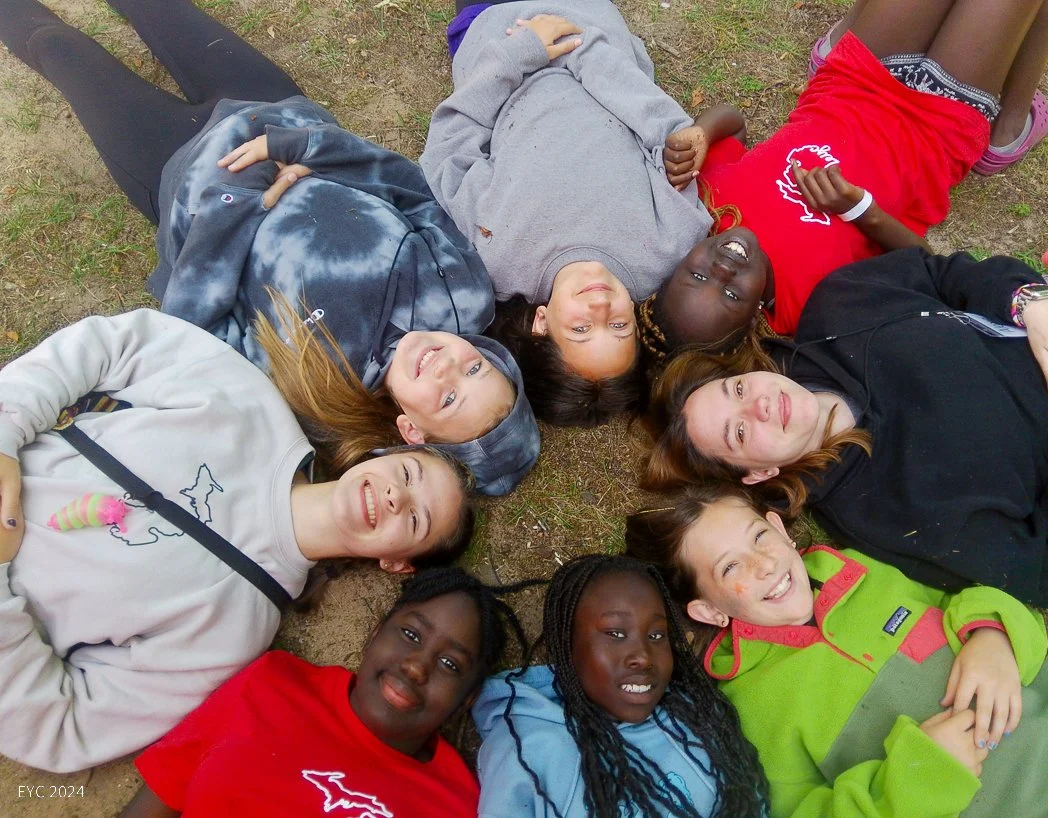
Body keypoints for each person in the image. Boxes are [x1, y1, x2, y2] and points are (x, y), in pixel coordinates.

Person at [0, 0, 540, 495]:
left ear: (411, 430)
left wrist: (238, 201)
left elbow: (194, 325)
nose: (449, 368)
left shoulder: (318, 395)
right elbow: (408, 189)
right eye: (477, 370)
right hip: (279, 112)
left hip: (181, 169)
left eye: (449, 400)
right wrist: (305, 148)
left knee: (57, 48)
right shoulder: (462, 293)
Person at [0, 309, 479, 773]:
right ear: (380, 456)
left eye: (416, 519)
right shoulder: (252, 405)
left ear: (397, 564)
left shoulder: (231, 635)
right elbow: (113, 344)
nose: (397, 496)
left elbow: (64, 728)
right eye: (408, 473)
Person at [642, 248, 1048, 609]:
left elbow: (944, 273)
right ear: (756, 474)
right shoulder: (880, 517)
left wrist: (1036, 308)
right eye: (738, 434)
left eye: (737, 389)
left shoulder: (839, 304)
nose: (757, 405)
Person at [636, 0, 1048, 366]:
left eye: (695, 274)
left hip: (854, 77)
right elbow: (924, 267)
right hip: (936, 126)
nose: (722, 269)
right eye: (731, 294)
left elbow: (734, 122)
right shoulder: (811, 305)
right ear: (754, 321)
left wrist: (701, 132)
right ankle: (1006, 130)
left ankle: (1008, 125)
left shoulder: (707, 207)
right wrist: (861, 209)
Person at [625, 487, 1048, 817]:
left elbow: (968, 599)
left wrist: (993, 637)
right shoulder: (750, 711)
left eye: (758, 537)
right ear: (710, 610)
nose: (764, 564)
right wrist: (920, 775)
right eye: (730, 566)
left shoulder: (865, 568)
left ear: (779, 528)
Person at [420, 0, 725, 425]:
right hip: (588, 21)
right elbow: (666, 135)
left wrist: (519, 53)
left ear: (541, 324)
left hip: (498, 31)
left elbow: (451, 149)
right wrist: (581, 44)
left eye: (581, 330)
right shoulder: (665, 245)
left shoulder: (496, 256)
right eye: (619, 327)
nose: (601, 310)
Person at [117, 566, 533, 818]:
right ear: (374, 636)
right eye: (409, 634)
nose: (416, 666)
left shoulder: (458, 805)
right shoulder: (273, 684)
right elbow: (161, 794)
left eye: (450, 665)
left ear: (466, 699)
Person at [473, 554, 768, 818]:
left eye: (656, 636)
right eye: (615, 633)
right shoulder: (528, 747)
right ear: (566, 644)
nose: (642, 656)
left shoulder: (696, 722)